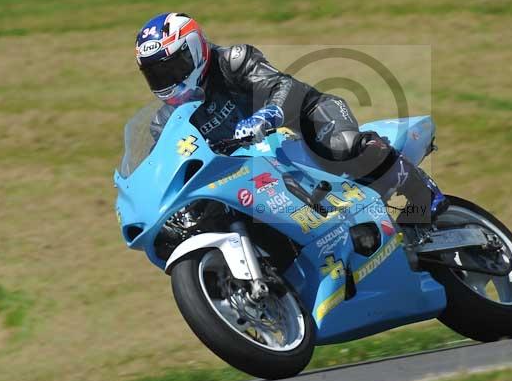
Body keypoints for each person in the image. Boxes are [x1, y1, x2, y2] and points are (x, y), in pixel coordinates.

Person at [135, 12, 447, 223]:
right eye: (156, 75)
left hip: (307, 119)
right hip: (254, 167)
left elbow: (282, 85)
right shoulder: (166, 122)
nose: (167, 80)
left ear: (195, 49)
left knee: (342, 146)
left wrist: (268, 114)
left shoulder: (233, 61)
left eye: (172, 68)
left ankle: (421, 191)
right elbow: (164, 169)